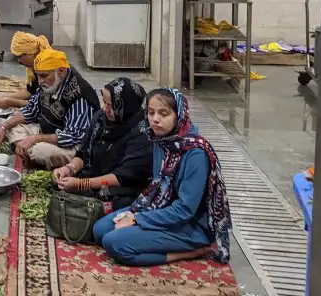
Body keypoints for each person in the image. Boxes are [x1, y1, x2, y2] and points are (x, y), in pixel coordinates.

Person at [93, 88, 233, 266]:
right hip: (159, 209)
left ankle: (191, 252)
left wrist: (137, 219)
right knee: (99, 231)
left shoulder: (195, 153)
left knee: (114, 243)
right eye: (151, 113)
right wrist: (139, 214)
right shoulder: (161, 141)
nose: (155, 119)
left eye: (163, 113)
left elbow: (185, 210)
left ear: (179, 114)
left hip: (189, 225)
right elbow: (158, 188)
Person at [52, 77, 154, 211]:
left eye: (110, 105)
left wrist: (82, 184)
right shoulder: (101, 119)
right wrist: (69, 169)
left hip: (123, 186)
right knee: (58, 183)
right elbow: (83, 153)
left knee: (110, 203)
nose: (105, 108)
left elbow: (123, 177)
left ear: (124, 106)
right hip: (95, 177)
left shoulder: (142, 133)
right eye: (104, 103)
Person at [0, 48, 99, 168]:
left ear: (61, 72)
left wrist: (35, 139)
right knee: (11, 122)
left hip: (72, 145)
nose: (40, 81)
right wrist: (3, 127)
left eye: (44, 76)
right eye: (38, 76)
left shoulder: (79, 96)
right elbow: (31, 110)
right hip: (48, 132)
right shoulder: (49, 83)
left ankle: (30, 151)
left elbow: (72, 137)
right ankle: (27, 150)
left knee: (40, 152)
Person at [0, 32, 52, 110]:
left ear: (30, 53)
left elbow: (43, 105)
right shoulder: (33, 67)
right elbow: (29, 92)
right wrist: (3, 97)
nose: (19, 61)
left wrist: (10, 102)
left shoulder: (49, 70)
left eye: (19, 56)